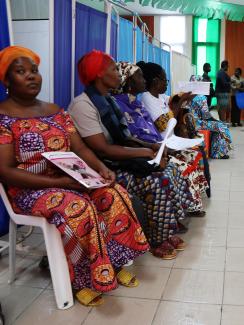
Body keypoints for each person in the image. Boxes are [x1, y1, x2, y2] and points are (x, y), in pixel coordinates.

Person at [0, 46, 150, 307]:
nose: (32, 76)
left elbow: (79, 148)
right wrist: (58, 183)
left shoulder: (55, 110)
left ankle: (113, 262)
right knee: (77, 207)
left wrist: (99, 170)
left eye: (34, 70)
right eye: (21, 72)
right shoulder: (3, 118)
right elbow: (5, 171)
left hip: (69, 178)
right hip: (28, 190)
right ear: (6, 80)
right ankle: (81, 278)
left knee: (113, 193)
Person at [69, 50, 192, 260]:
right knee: (156, 181)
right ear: (99, 74)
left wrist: (153, 148)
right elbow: (103, 150)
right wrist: (147, 152)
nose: (118, 73)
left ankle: (168, 228)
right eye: (112, 68)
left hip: (120, 158)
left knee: (170, 170)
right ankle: (157, 238)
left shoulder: (108, 100)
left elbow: (126, 138)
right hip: (103, 167)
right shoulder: (83, 105)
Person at [115, 61, 208, 215]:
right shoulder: (141, 99)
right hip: (152, 148)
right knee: (183, 164)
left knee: (194, 155)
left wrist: (184, 98)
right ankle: (186, 207)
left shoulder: (139, 102)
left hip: (161, 144)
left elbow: (158, 119)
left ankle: (191, 203)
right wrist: (159, 147)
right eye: (140, 76)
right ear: (129, 81)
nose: (144, 80)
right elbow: (159, 124)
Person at [187, 95, 232, 159]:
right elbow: (206, 116)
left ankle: (216, 153)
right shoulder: (201, 97)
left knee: (217, 127)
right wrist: (217, 121)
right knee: (222, 126)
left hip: (190, 123)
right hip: (198, 124)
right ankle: (217, 153)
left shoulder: (189, 97)